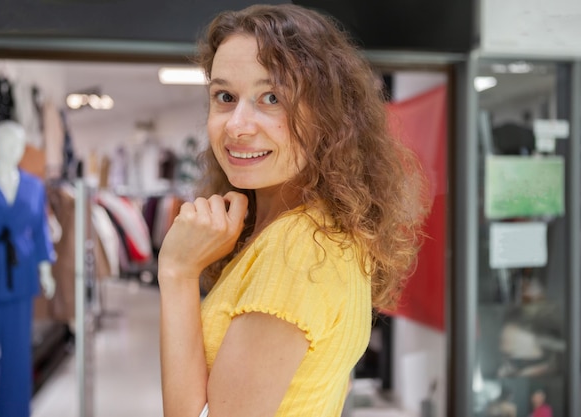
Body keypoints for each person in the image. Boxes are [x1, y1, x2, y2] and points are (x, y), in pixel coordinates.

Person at [158, 4, 427, 417]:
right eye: (225, 97)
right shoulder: (289, 228)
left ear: (327, 115)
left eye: (271, 98)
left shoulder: (300, 248)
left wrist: (177, 273)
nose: (237, 125)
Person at [0, 120, 56, 417]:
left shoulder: (33, 185)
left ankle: (14, 410)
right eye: (7, 142)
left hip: (20, 274)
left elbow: (41, 229)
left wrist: (45, 269)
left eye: (18, 144)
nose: (13, 149)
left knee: (17, 351)